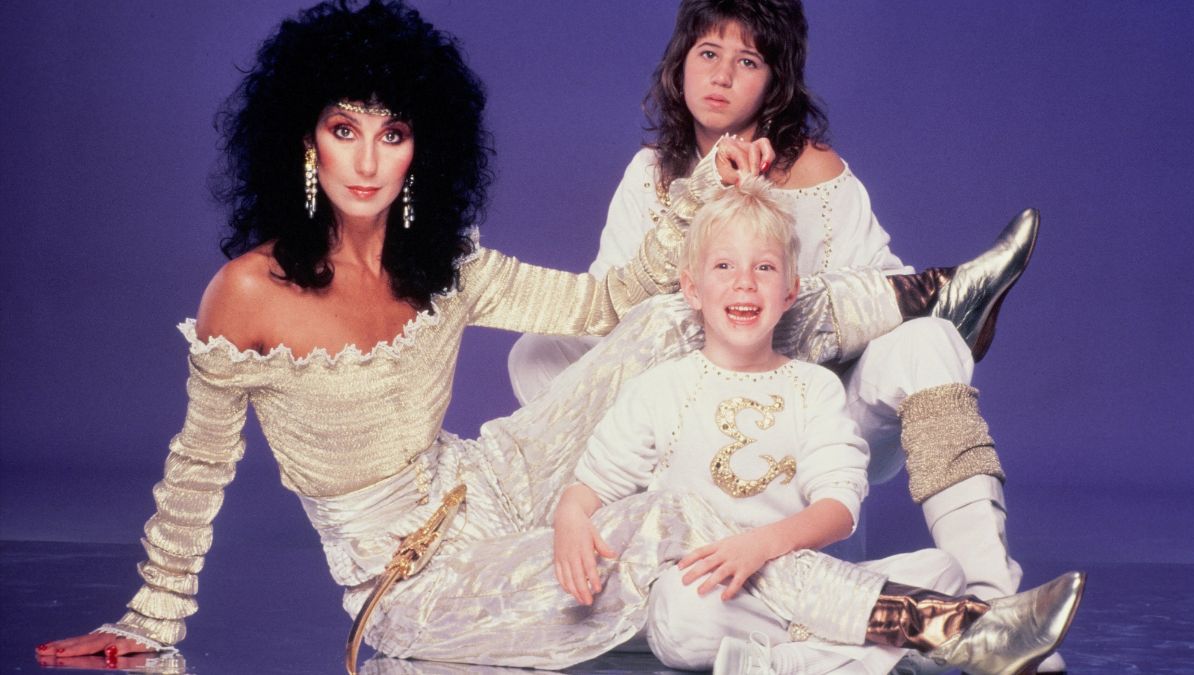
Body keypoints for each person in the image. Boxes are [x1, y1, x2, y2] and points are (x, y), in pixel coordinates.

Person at [33, 1, 1064, 673]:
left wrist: (708, 187)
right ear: (302, 139)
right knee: (674, 514)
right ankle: (956, 629)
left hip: (492, 481)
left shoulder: (445, 259)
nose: (367, 160)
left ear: (418, 148)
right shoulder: (246, 294)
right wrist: (150, 622)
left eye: (393, 134)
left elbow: (601, 302)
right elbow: (196, 468)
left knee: (670, 314)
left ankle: (932, 294)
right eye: (343, 129)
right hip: (410, 579)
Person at [508, 3, 1055, 668]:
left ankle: (995, 610)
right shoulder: (650, 174)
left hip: (808, 420)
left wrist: (772, 220)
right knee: (539, 355)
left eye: (748, 61)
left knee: (931, 341)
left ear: (776, 81)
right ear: (680, 61)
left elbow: (865, 303)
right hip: (686, 423)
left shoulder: (819, 175)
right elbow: (615, 314)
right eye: (708, 53)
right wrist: (707, 208)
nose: (722, 76)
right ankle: (909, 619)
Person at [553, 179, 1083, 675]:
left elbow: (838, 509)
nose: (744, 282)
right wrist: (570, 522)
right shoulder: (658, 388)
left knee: (943, 571)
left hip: (796, 576)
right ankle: (930, 633)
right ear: (691, 288)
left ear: (790, 291)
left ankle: (786, 659)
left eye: (764, 268)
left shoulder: (813, 388)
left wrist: (759, 547)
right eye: (723, 267)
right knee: (678, 613)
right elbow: (589, 489)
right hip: (713, 595)